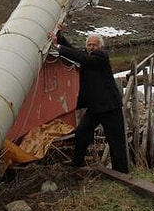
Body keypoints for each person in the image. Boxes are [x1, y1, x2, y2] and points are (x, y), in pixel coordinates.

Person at [49, 31, 129, 173]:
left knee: (116, 141)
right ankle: (77, 163)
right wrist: (59, 37)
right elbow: (75, 52)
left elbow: (81, 58)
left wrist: (59, 48)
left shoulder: (100, 57)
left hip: (110, 107)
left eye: (94, 45)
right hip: (95, 107)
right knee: (81, 133)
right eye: (89, 45)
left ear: (100, 46)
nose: (91, 47)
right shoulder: (87, 56)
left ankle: (121, 173)